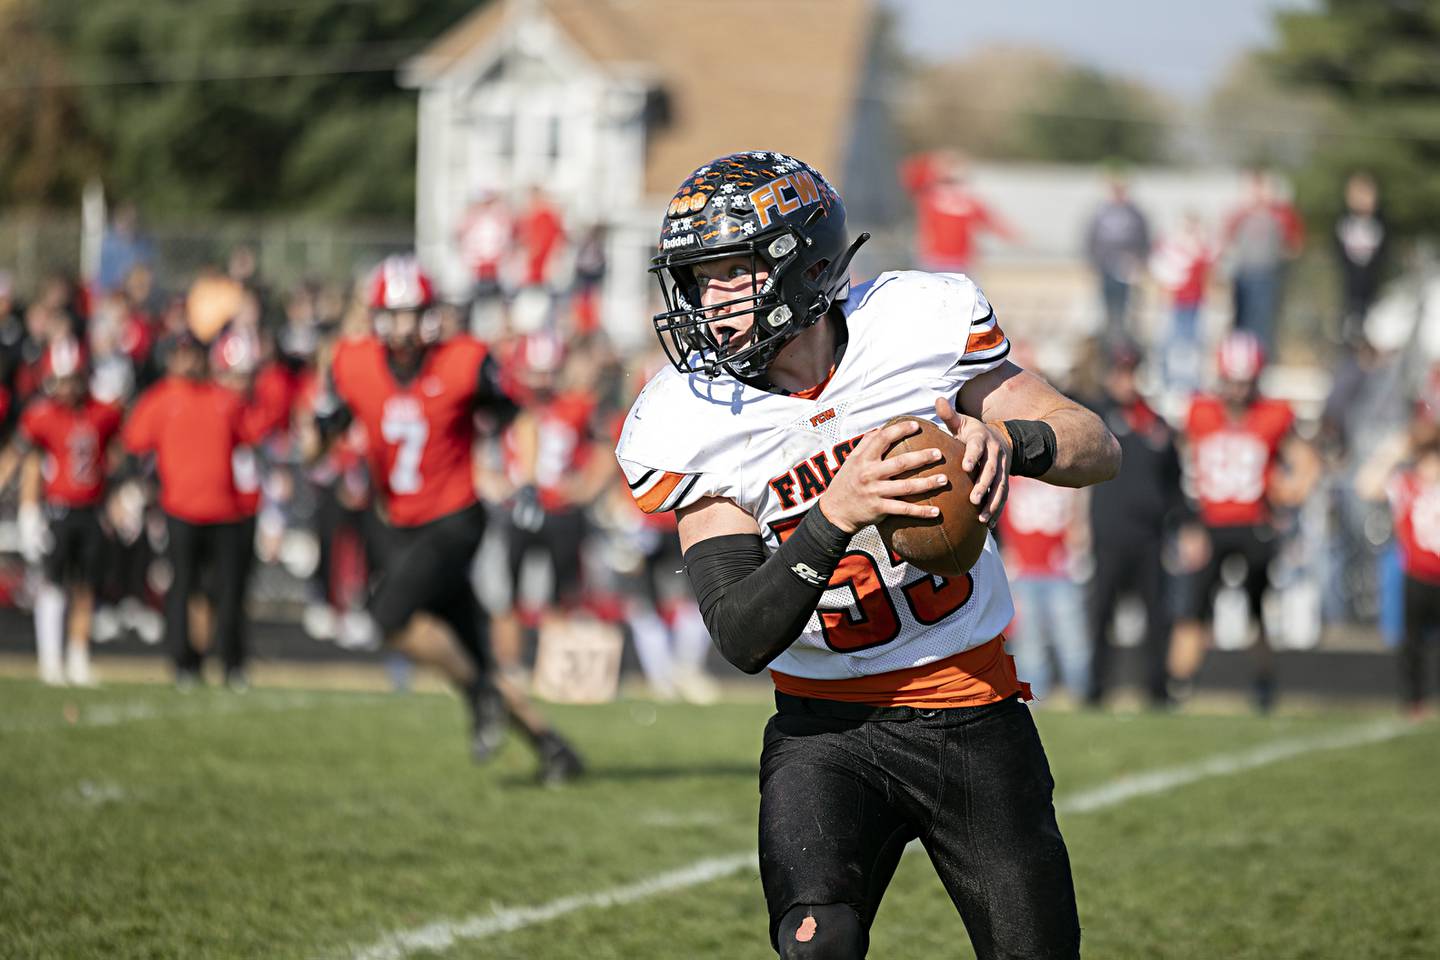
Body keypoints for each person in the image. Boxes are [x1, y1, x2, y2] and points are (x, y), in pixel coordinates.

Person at [617, 151, 1120, 959]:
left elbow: (1097, 445)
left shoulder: (916, 325)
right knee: (818, 944)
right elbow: (741, 634)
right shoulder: (690, 419)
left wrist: (1010, 440)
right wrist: (834, 514)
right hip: (823, 732)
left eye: (729, 275)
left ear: (801, 264)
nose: (707, 304)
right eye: (696, 279)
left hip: (972, 707)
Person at [319, 255, 583, 783]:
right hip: (396, 523)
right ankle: (552, 747)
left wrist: (528, 479)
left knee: (385, 618)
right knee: (471, 654)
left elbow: (520, 418)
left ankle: (481, 697)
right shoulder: (351, 362)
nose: (403, 326)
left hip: (455, 518)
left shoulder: (462, 360)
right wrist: (316, 433)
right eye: (393, 315)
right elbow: (320, 441)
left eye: (413, 313)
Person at [1168, 331, 1320, 711]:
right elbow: (1173, 463)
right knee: (1193, 609)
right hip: (1210, 523)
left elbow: (1307, 463)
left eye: (1245, 381)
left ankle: (1264, 684)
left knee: (1257, 609)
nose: (1238, 389)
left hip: (1255, 524)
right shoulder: (1200, 412)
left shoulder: (1273, 415)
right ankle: (1177, 686)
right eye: (1232, 381)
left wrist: (1288, 494)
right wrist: (1186, 519)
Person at [122, 325, 257, 690]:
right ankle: (184, 662)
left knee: (228, 591)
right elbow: (134, 447)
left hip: (226, 511)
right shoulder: (160, 399)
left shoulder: (223, 398)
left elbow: (250, 446)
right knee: (182, 588)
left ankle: (231, 662)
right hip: (180, 509)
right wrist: (137, 492)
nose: (187, 361)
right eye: (180, 354)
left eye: (192, 354)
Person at [0, 338, 122, 685]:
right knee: (53, 584)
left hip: (92, 509)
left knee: (85, 587)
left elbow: (117, 452)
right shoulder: (42, 415)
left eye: (72, 379)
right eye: (62, 380)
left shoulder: (103, 412)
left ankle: (78, 656)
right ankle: (50, 658)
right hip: (58, 509)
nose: (66, 388)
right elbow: (19, 457)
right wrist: (27, 507)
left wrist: (120, 495)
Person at [1080, 339, 1186, 708]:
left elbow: (1175, 483)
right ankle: (1095, 689)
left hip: (1150, 537)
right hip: (1109, 536)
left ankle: (1157, 689)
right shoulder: (1097, 417)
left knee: (1157, 616)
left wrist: (1186, 525)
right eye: (1120, 372)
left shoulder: (1156, 425)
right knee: (1101, 614)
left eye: (1131, 372)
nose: (1126, 380)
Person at [1357, 372, 1440, 719]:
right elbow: (1366, 484)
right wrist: (1397, 446)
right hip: (1417, 573)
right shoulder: (1405, 482)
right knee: (1412, 644)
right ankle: (1413, 702)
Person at [997, 475, 1088, 702]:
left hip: (1060, 567)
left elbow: (1077, 513)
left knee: (1072, 638)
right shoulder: (1010, 471)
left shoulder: (1060, 473)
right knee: (1029, 641)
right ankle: (1035, 697)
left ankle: (1080, 695)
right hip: (1022, 568)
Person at [1223, 169, 1304, 352]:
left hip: (1268, 275)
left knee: (1262, 320)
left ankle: (1260, 356)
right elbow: (1227, 242)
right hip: (1243, 274)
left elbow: (1295, 245)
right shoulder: (1240, 215)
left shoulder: (1282, 215)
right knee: (1241, 319)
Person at [899, 151, 1017, 274]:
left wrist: (1018, 241)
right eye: (947, 181)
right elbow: (910, 174)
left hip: (961, 261)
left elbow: (994, 224)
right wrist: (936, 161)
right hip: (932, 260)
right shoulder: (928, 197)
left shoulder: (970, 203)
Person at [1083, 171, 1151, 339]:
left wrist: (1139, 262)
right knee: (1106, 310)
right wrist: (1093, 263)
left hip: (1127, 268)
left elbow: (1144, 239)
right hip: (1105, 268)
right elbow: (1091, 239)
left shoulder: (1135, 214)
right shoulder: (1101, 212)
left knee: (1126, 311)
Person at [1333, 171, 1389, 344]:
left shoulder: (1381, 223)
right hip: (1349, 286)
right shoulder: (1344, 221)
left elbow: (1385, 251)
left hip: (1373, 285)